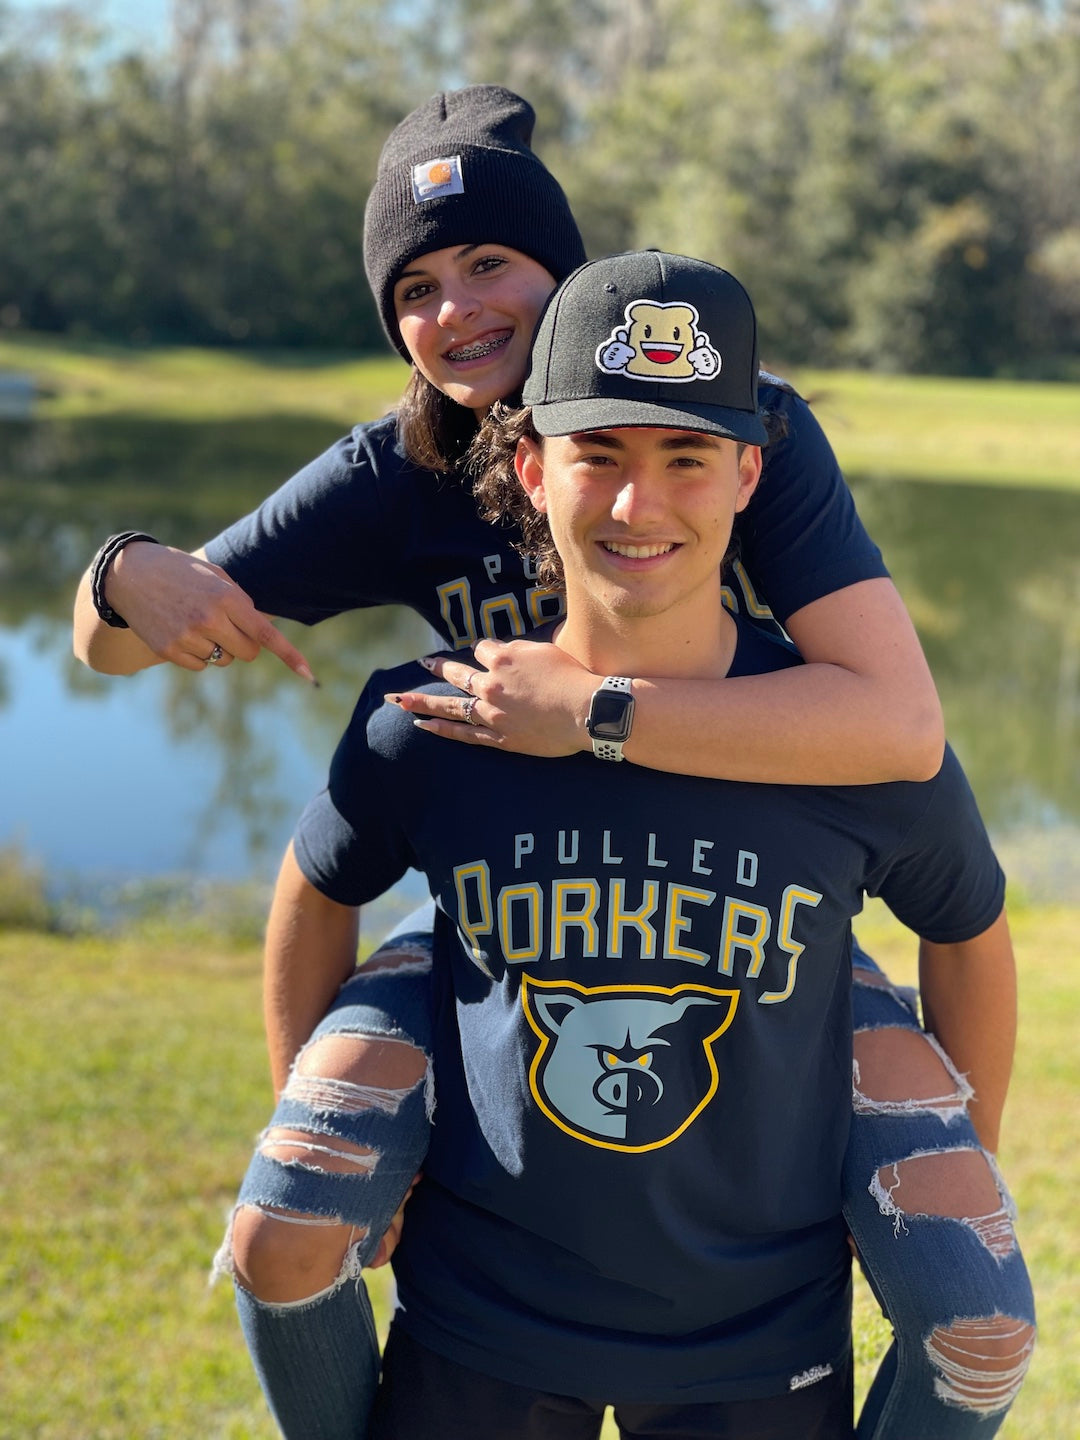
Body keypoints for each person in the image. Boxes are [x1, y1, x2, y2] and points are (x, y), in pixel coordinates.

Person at [70, 89, 1034, 1437]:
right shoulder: (391, 478)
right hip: (502, 891)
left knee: (974, 1294)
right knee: (290, 1217)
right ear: (530, 469)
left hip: (759, 900)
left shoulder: (744, 424)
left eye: (489, 263)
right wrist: (123, 577)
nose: (459, 305)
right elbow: (128, 652)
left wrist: (594, 710)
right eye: (416, 283)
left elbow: (895, 730)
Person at [269, 249, 1025, 1440]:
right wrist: (346, 1139)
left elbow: (970, 931)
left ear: (749, 476)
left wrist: (935, 1172)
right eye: (599, 457)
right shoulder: (443, 720)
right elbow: (316, 889)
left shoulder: (835, 746)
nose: (638, 506)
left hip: (755, 1332)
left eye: (686, 459)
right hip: (482, 1319)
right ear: (530, 467)